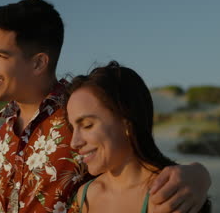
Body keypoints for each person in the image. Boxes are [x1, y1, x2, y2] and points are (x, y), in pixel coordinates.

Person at [0, 0, 211, 213]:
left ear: (39, 62)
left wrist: (198, 175)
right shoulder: (3, 135)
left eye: (1, 55)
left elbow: (137, 165)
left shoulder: (80, 112)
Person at [66, 61, 211, 213]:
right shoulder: (85, 196)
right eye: (73, 127)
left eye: (87, 125)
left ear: (127, 123)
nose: (74, 143)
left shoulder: (170, 194)